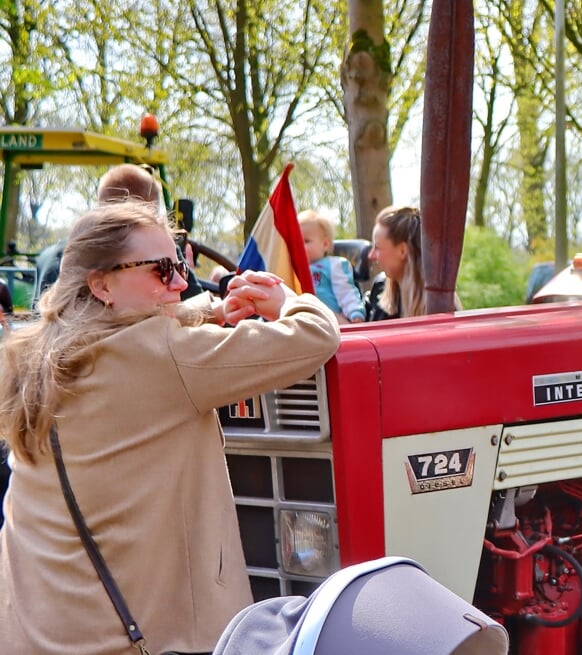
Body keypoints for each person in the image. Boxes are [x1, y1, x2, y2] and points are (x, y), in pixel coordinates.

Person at [0, 200, 341, 655]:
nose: (181, 281)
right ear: (101, 284)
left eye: (180, 263)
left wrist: (209, 311)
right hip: (139, 637)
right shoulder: (166, 357)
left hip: (33, 630)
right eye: (162, 271)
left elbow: (129, 334)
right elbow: (317, 336)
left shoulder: (29, 357)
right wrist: (288, 300)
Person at [33, 164, 203, 302]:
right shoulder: (153, 251)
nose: (180, 283)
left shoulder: (50, 257)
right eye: (162, 270)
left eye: (181, 270)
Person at [299, 209, 366, 323]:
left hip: (330, 322)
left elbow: (346, 292)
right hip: (301, 321)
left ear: (325, 244)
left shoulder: (334, 265)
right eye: (296, 242)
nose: (299, 246)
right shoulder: (293, 269)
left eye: (306, 241)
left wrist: (355, 313)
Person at [366, 205, 423, 321]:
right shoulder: (379, 290)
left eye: (377, 247)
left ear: (402, 251)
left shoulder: (439, 304)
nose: (370, 256)